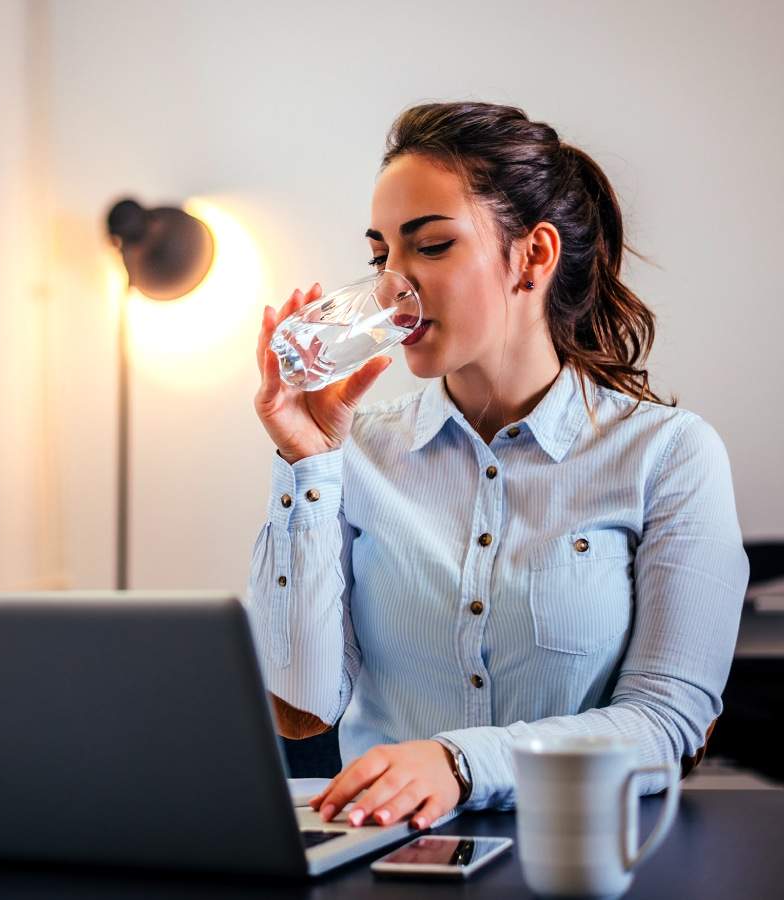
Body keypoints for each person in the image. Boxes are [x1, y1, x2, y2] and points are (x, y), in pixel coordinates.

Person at [246, 101, 749, 833]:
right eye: (380, 254)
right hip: (382, 855)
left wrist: (459, 764)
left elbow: (667, 724)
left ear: (534, 257)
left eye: (433, 246)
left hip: (580, 858)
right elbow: (300, 713)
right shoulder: (354, 452)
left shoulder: (669, 455)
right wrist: (305, 464)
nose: (393, 283)